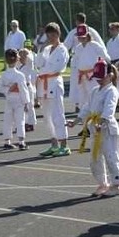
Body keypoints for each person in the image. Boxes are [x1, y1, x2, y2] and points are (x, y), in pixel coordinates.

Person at [69, 60, 119, 197]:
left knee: (111, 156)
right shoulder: (95, 91)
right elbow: (87, 107)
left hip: (107, 128)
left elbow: (110, 108)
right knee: (95, 158)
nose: (99, 81)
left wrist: (103, 121)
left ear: (110, 76)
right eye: (97, 78)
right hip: (95, 128)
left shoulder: (112, 91)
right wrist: (76, 121)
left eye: (102, 78)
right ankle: (102, 183)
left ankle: (116, 185)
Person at [35, 23, 70, 157]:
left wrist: (43, 70)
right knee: (47, 116)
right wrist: (41, 48)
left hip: (54, 82)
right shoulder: (46, 48)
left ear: (58, 34)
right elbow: (38, 64)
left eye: (53, 34)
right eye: (48, 34)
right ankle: (54, 144)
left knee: (57, 114)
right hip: (43, 83)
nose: (51, 36)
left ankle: (64, 145)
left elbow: (55, 67)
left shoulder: (62, 50)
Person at [69, 24, 110, 111]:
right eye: (79, 37)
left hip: (92, 75)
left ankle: (96, 114)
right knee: (82, 97)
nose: (81, 39)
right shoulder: (78, 48)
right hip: (81, 75)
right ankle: (84, 117)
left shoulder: (95, 45)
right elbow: (75, 62)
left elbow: (105, 57)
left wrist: (108, 67)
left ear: (88, 35)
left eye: (83, 37)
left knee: (94, 95)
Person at [0, 49, 30, 150]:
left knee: (8, 120)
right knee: (20, 119)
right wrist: (26, 102)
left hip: (9, 98)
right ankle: (21, 141)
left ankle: (7, 141)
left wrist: (8, 89)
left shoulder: (4, 74)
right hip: (19, 99)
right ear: (17, 60)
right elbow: (23, 89)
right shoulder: (19, 75)